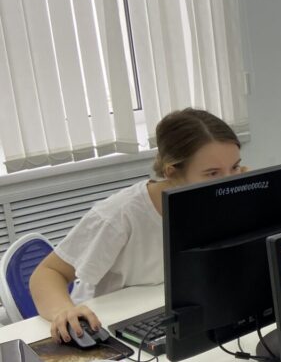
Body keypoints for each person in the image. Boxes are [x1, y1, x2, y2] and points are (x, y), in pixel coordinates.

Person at [30, 108, 243, 343]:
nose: (230, 182)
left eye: (235, 167)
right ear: (171, 172)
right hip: (110, 328)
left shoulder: (216, 203)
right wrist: (64, 311)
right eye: (212, 173)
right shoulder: (118, 216)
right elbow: (47, 273)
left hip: (168, 314)